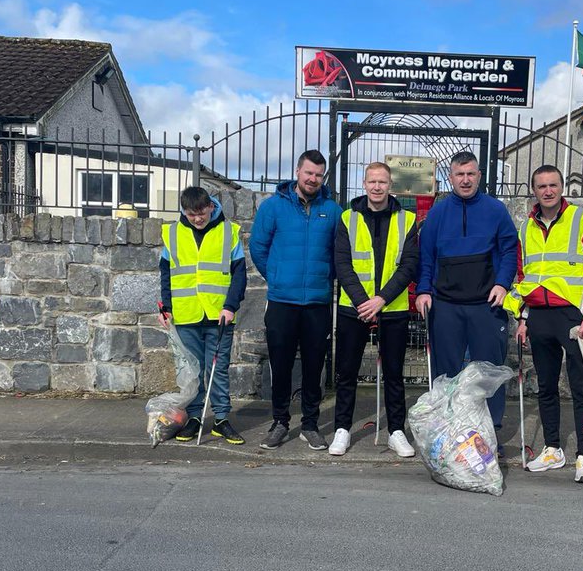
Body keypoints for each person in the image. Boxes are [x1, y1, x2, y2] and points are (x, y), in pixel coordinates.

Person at [504, 164, 583, 483]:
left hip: (575, 317)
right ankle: (552, 449)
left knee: (582, 389)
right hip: (539, 317)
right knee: (546, 387)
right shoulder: (525, 229)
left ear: (562, 187)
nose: (548, 191)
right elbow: (524, 277)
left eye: (553, 185)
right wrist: (522, 316)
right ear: (533, 191)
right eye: (541, 186)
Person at [415, 150, 518, 443]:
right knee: (445, 375)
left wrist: (502, 283)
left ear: (480, 176)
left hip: (486, 305)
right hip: (445, 306)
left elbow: (510, 250)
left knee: (488, 373)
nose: (465, 180)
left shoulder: (496, 210)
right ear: (450, 177)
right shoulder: (437, 213)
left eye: (471, 174)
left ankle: (489, 436)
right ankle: (447, 434)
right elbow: (426, 256)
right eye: (459, 174)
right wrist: (423, 290)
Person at [248, 149, 342, 450]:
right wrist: (276, 277)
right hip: (282, 301)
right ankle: (280, 421)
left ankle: (311, 424)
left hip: (317, 301)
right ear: (298, 172)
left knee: (315, 366)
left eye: (318, 174)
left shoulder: (333, 210)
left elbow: (340, 254)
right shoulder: (273, 207)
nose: (313, 179)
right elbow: (258, 248)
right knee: (281, 364)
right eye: (308, 173)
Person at [330, 161, 419, 458]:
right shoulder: (347, 218)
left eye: (383, 182)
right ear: (364, 184)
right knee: (347, 372)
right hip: (353, 308)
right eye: (372, 182)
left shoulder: (407, 220)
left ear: (390, 185)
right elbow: (342, 265)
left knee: (394, 373)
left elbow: (409, 266)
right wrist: (362, 302)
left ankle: (396, 432)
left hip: (391, 307)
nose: (377, 187)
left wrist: (380, 299)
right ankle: (342, 429)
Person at [158, 186, 247, 443]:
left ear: (210, 206)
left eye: (201, 212)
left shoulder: (229, 232)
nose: (197, 218)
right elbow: (166, 274)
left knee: (218, 370)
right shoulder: (172, 233)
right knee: (192, 371)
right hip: (186, 315)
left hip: (219, 315)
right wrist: (166, 308)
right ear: (184, 211)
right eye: (191, 213)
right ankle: (195, 418)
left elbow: (239, 273)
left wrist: (231, 306)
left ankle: (221, 420)